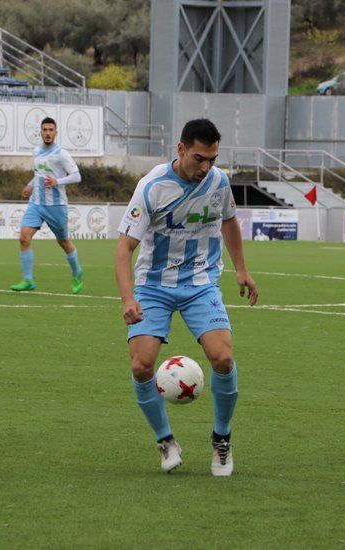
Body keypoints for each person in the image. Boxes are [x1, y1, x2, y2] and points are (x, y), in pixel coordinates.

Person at [114, 119, 258, 476]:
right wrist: (128, 299)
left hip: (200, 284)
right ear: (180, 150)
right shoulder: (151, 187)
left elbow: (229, 221)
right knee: (141, 365)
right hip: (154, 287)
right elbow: (123, 248)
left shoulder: (219, 182)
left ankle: (221, 439)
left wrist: (241, 269)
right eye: (199, 158)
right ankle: (165, 441)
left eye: (212, 158)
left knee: (223, 358)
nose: (205, 167)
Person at [10, 117, 83, 294]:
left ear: (56, 132)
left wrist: (57, 181)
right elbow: (39, 174)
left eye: (51, 130)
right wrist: (30, 185)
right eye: (45, 130)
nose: (48, 133)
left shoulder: (61, 153)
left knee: (64, 242)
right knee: (24, 238)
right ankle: (28, 280)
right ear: (40, 132)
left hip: (55, 205)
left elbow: (76, 176)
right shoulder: (36, 152)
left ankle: (77, 272)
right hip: (36, 203)